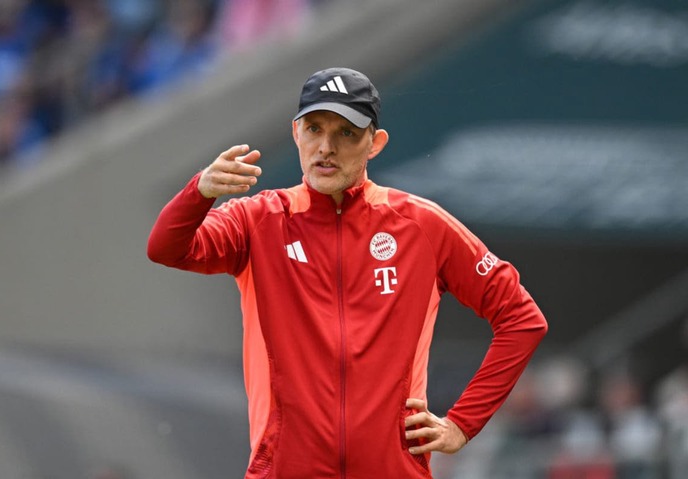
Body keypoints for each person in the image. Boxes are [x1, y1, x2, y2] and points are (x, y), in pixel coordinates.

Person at [147, 67, 548, 478]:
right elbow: (166, 249)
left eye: (346, 133)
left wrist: (463, 424)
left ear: (375, 143)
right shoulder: (258, 220)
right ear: (295, 134)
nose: (326, 147)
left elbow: (522, 319)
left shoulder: (421, 226)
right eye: (315, 128)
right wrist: (200, 192)